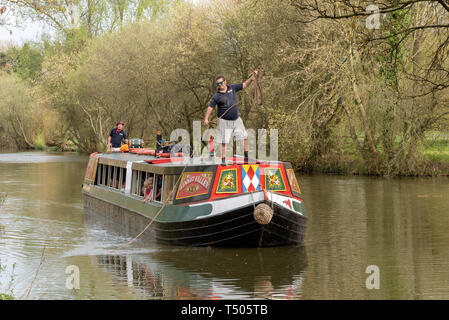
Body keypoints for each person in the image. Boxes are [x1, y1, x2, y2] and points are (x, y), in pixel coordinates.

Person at [204, 70, 259, 164]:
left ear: (225, 82)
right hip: (223, 120)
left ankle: (247, 156)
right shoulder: (216, 96)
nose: (220, 85)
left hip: (236, 119)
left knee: (244, 136)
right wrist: (206, 118)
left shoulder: (232, 88)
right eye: (218, 84)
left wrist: (252, 78)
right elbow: (210, 107)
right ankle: (223, 159)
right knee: (223, 141)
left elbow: (244, 84)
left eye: (221, 82)